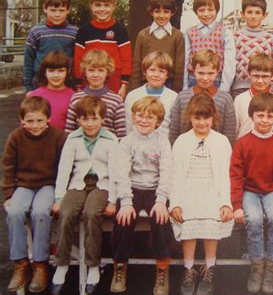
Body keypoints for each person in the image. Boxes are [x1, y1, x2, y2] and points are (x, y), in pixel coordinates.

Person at [51, 96, 118, 295]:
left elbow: (115, 172)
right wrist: (59, 198)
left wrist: (113, 200)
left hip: (102, 186)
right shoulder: (72, 138)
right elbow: (64, 169)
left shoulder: (111, 139)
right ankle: (62, 263)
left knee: (91, 214)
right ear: (78, 120)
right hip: (78, 183)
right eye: (85, 119)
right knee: (67, 212)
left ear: (102, 119)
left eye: (94, 118)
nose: (89, 123)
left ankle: (93, 265)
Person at [230, 93, 273, 294]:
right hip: (250, 191)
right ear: (251, 116)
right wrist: (237, 206)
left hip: (272, 191)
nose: (265, 120)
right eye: (260, 115)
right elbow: (236, 175)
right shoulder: (243, 143)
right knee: (255, 219)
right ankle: (257, 266)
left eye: (270, 116)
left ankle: (272, 266)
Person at [170, 93, 234, 295]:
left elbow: (224, 175)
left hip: (212, 189)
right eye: (197, 118)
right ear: (190, 117)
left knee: (212, 213)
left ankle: (210, 267)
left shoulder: (222, 141)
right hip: (188, 190)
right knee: (186, 215)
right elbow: (176, 175)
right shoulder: (181, 141)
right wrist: (176, 203)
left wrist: (226, 203)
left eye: (206, 118)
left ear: (213, 118)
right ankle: (188, 269)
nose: (202, 122)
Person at [2, 97, 66, 293]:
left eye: (39, 120)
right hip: (24, 185)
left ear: (48, 118)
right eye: (29, 121)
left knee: (40, 213)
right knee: (14, 212)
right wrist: (9, 193)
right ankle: (21, 263)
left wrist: (60, 195)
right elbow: (8, 166)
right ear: (22, 120)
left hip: (48, 185)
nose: (35, 125)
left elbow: (65, 167)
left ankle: (40, 263)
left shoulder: (59, 137)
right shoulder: (16, 137)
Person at [110, 97, 173, 294]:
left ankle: (162, 269)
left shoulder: (162, 141)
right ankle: (120, 266)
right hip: (133, 189)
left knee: (161, 219)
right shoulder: (127, 142)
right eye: (140, 116)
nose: (144, 121)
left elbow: (167, 172)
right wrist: (126, 202)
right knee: (123, 219)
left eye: (150, 117)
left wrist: (162, 200)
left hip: (155, 190)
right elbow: (122, 173)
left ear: (158, 121)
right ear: (133, 116)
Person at [169, 49, 236, 146]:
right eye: (201, 73)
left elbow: (230, 135)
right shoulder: (182, 97)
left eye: (210, 73)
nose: (205, 78)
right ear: (193, 70)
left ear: (217, 72)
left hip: (215, 152)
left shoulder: (225, 99)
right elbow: (174, 132)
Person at [74, 0, 132, 98]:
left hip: (114, 79)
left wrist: (124, 84)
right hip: (90, 77)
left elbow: (126, 58)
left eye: (106, 5)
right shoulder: (84, 30)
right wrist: (78, 83)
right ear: (91, 6)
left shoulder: (119, 30)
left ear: (113, 6)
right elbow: (78, 59)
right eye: (98, 5)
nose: (102, 9)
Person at [23, 0, 77, 92]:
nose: (57, 14)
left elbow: (77, 60)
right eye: (53, 10)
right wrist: (28, 87)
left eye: (61, 10)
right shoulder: (36, 31)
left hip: (67, 84)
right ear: (45, 8)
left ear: (68, 10)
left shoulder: (75, 32)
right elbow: (28, 60)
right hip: (40, 83)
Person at [183, 0, 236, 92]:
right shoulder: (189, 32)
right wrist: (185, 86)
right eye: (202, 10)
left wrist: (224, 88)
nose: (206, 14)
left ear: (216, 10)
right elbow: (186, 60)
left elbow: (229, 62)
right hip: (194, 80)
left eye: (210, 10)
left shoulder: (225, 32)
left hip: (216, 80)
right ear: (196, 11)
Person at [65, 49, 126, 138]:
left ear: (107, 72)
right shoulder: (76, 98)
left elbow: (121, 135)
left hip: (108, 149)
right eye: (91, 70)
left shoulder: (116, 100)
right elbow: (69, 132)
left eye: (101, 70)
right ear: (85, 72)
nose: (95, 75)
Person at [130, 0, 185, 92]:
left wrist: (176, 90)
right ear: (151, 12)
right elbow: (136, 64)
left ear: (172, 13)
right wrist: (134, 90)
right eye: (157, 11)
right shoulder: (143, 35)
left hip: (169, 84)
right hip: (145, 83)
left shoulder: (178, 36)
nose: (161, 15)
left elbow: (179, 67)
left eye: (166, 12)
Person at [232, 0, 273, 98]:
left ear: (264, 15)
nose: (253, 16)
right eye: (249, 12)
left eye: (257, 13)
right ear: (242, 14)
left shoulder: (270, 39)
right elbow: (230, 64)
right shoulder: (236, 37)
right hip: (240, 87)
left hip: (264, 87)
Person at [124, 51, 178, 139]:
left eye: (161, 71)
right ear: (145, 72)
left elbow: (174, 129)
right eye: (152, 70)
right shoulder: (133, 96)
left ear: (167, 75)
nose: (156, 75)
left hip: (162, 147)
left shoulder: (174, 97)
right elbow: (128, 127)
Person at [234, 53, 273, 138]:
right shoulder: (239, 100)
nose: (260, 81)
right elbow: (235, 131)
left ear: (272, 76)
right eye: (256, 76)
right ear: (249, 74)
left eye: (265, 76)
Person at [27, 51, 75, 130]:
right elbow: (25, 126)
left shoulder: (74, 97)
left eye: (61, 71)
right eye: (51, 71)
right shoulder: (34, 96)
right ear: (44, 72)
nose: (56, 75)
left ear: (68, 71)